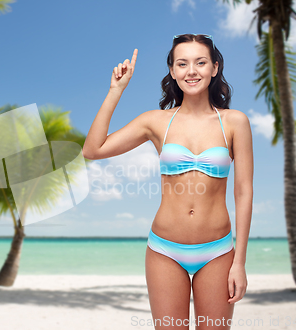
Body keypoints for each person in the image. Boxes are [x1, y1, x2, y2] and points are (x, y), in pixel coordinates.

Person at [82, 33, 253, 329]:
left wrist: (239, 262)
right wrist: (115, 91)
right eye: (182, 63)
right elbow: (93, 150)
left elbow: (244, 192)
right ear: (173, 71)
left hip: (218, 251)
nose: (191, 71)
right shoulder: (156, 121)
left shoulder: (234, 122)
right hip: (164, 250)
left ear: (214, 67)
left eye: (200, 62)